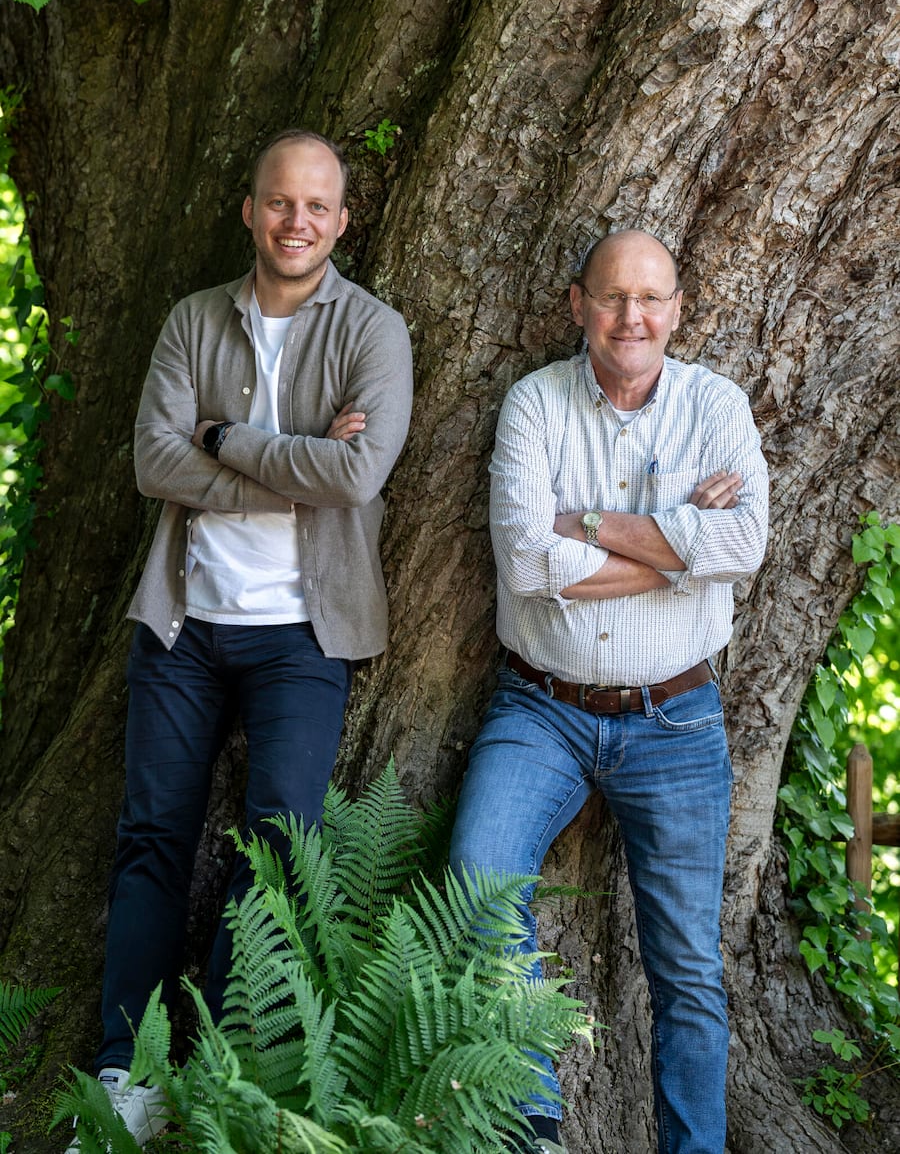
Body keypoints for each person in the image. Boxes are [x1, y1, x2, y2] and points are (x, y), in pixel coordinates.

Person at [74, 130, 414, 1148]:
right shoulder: (192, 321)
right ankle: (125, 1080)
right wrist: (291, 463)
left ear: (341, 219)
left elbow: (359, 478)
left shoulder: (374, 332)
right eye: (278, 202)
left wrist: (221, 441)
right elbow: (150, 461)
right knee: (151, 846)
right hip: (182, 626)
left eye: (316, 205)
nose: (295, 221)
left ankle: (218, 1072)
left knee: (275, 855)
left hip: (303, 638)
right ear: (250, 210)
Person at [449, 229, 768, 1154]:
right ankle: (533, 1121)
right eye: (614, 297)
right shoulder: (536, 405)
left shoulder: (717, 407)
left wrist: (586, 523)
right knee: (477, 881)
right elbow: (525, 558)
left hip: (676, 717)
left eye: (653, 298)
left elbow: (743, 548)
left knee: (687, 971)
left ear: (678, 309)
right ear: (578, 304)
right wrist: (676, 550)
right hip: (540, 708)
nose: (634, 317)